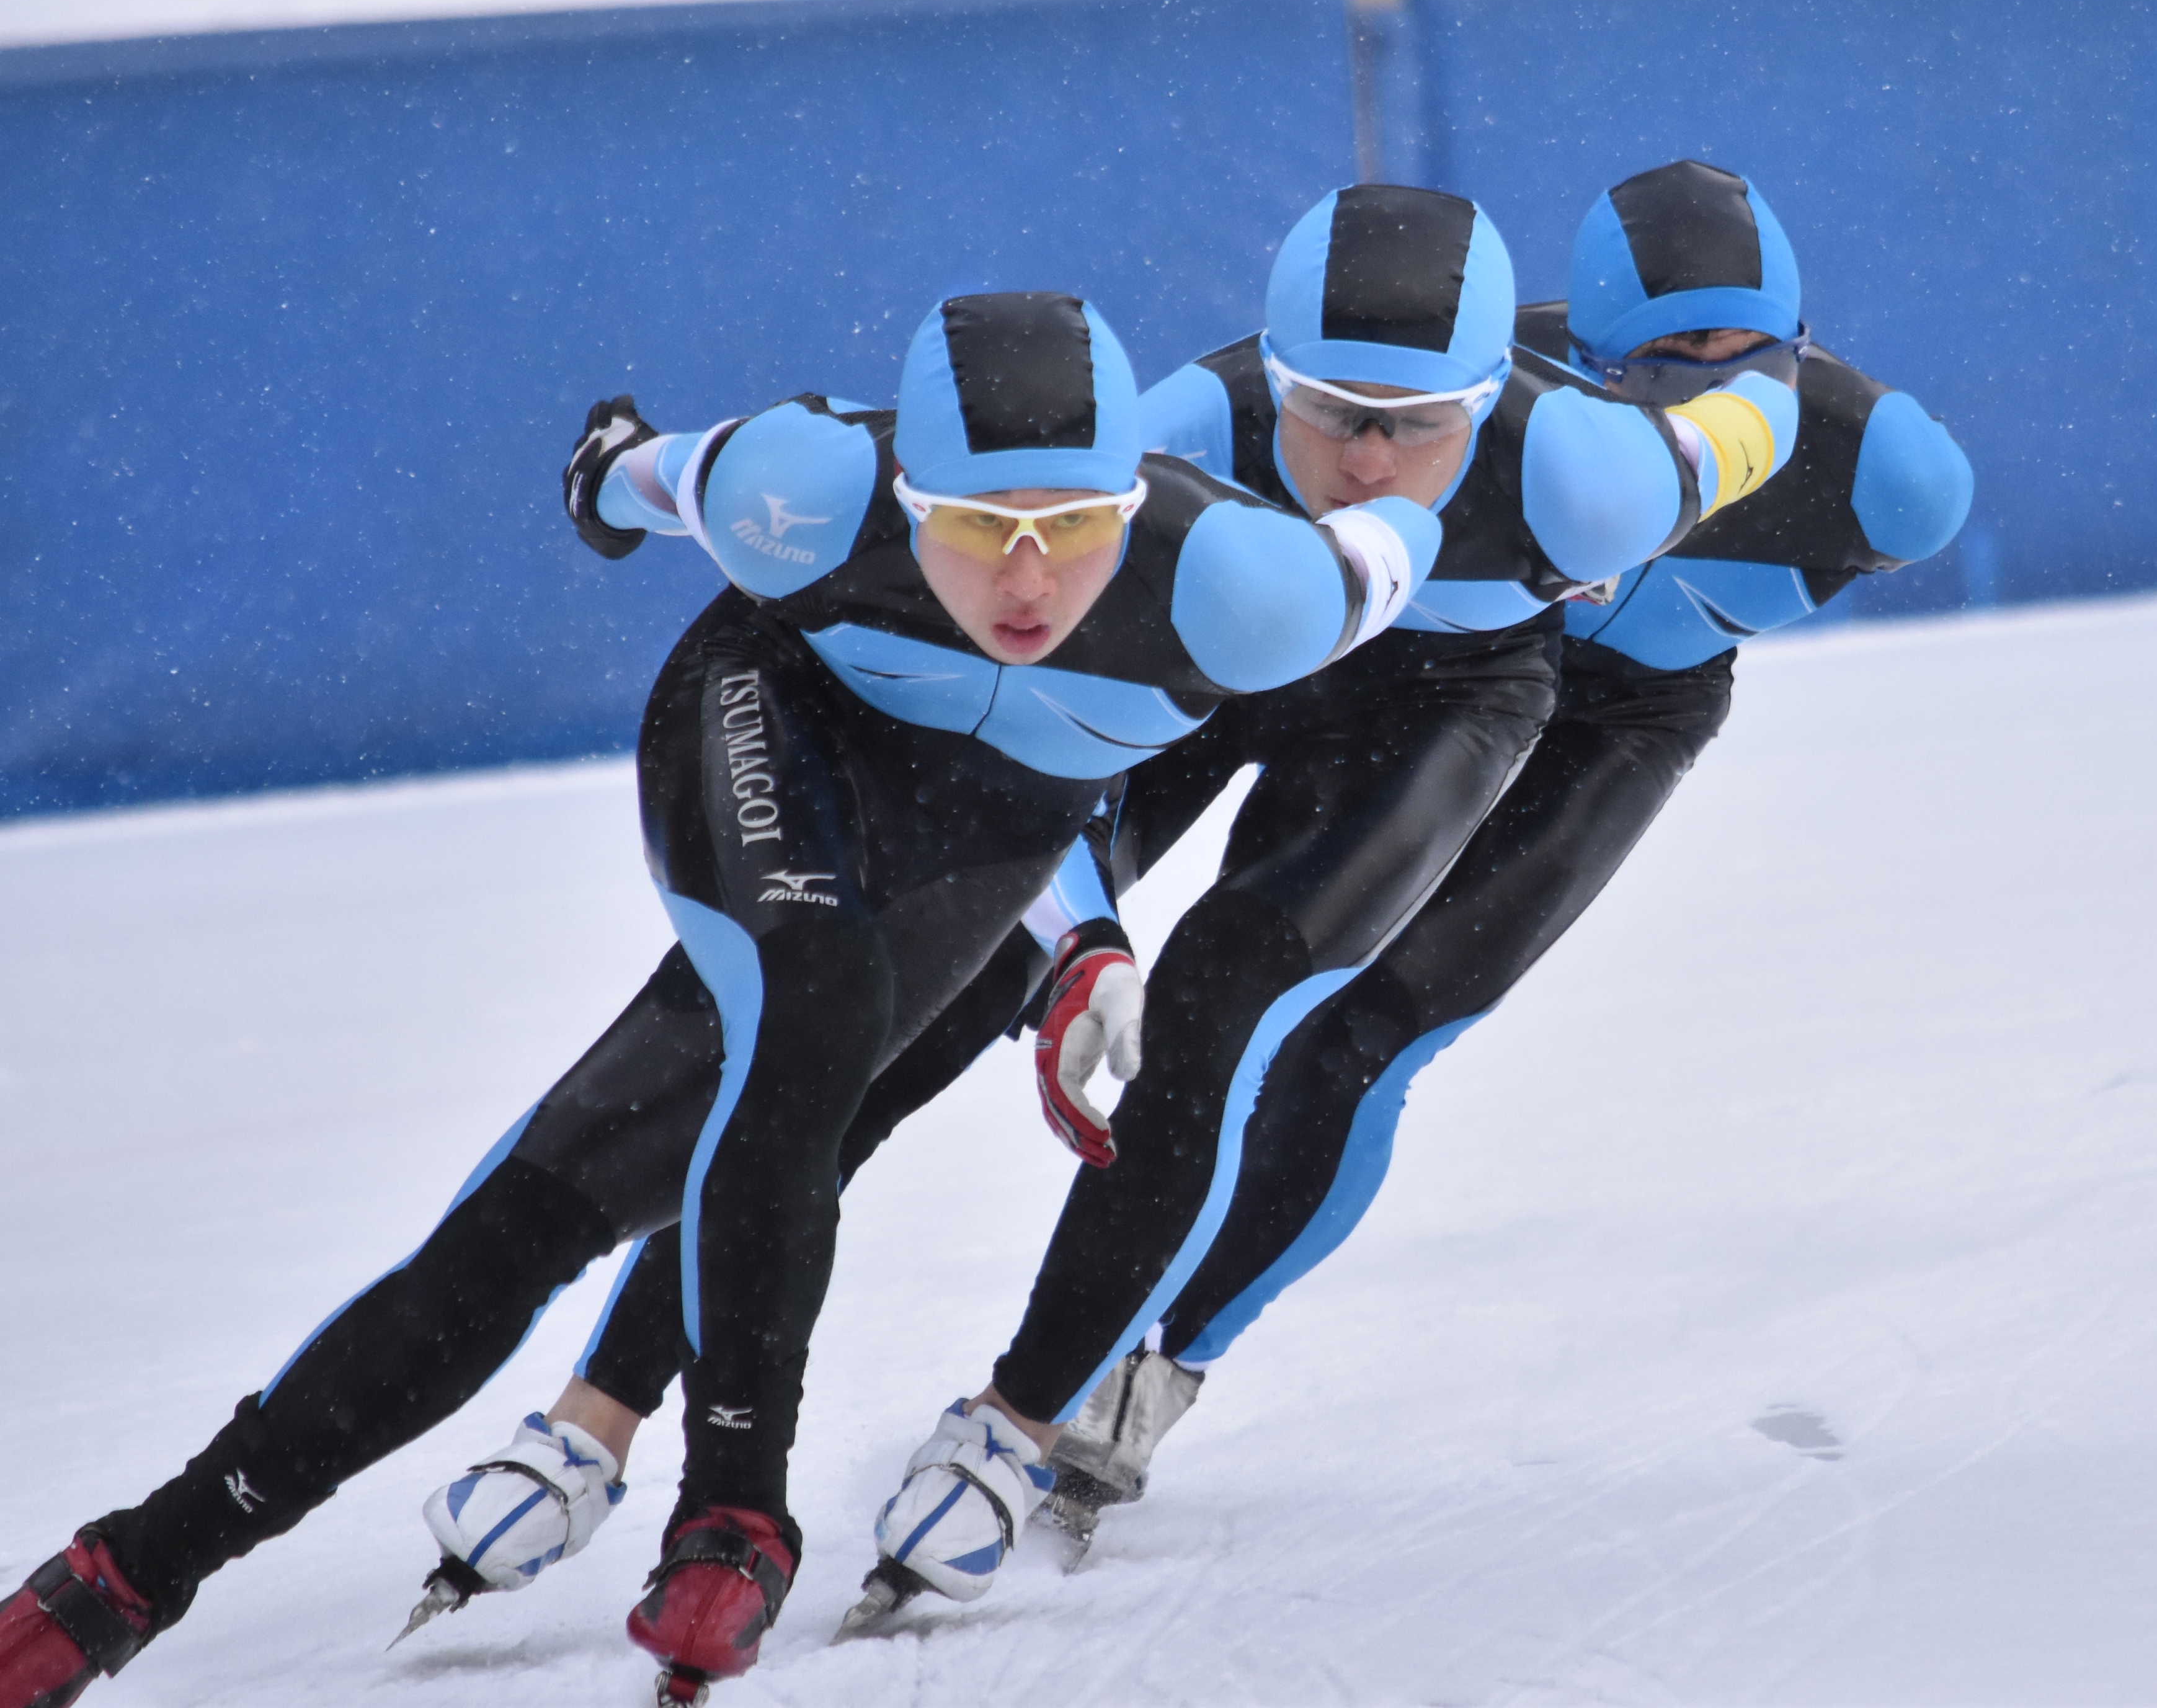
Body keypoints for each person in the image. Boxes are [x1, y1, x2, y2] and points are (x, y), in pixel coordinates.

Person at [0, 289, 1438, 1708]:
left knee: (564, 1194)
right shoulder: (802, 488)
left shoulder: (1258, 591)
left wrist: (1083, 939)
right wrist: (604, 471)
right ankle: (729, 1513)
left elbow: (1411, 527)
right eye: (968, 525)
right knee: (811, 1002)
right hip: (772, 722)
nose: (1024, 580)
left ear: (1130, 507)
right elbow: (635, 470)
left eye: (1068, 528)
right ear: (900, 493)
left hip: (980, 826)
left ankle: (132, 1564)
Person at [500, 180, 1799, 1630]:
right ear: (1267, 368)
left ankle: (1016, 1422)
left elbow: (1761, 419)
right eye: (1325, 407)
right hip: (1204, 660)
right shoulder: (1185, 431)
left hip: (1444, 695)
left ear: (1495, 396)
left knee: (1223, 1008)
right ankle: (599, 1413)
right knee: (915, 1008)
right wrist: (1080, 936)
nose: (1368, 460)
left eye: (1421, 421)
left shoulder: (1593, 475)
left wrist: (1766, 374)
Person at [1033, 159, 1975, 1538]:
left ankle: (1165, 1361)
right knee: (1237, 990)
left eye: (1750, 356)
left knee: (1366, 1038)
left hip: (1624, 718)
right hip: (1430, 675)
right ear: (1580, 361)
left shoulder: (1889, 474)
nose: (1713, 395)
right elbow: (1255, 391)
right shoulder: (1488, 378)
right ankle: (1076, 1317)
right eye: (1663, 364)